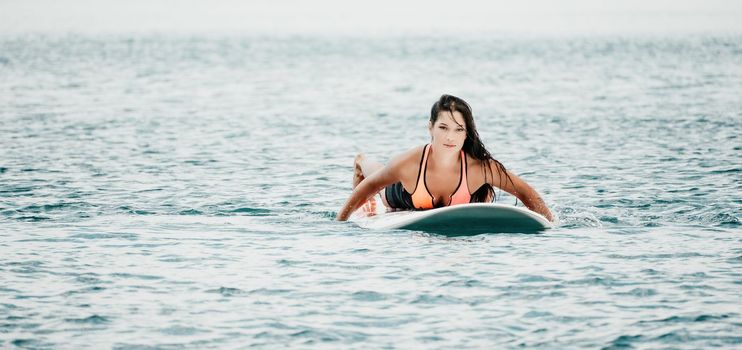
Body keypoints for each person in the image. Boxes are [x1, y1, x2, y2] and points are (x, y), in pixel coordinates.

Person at [336, 94, 553, 222]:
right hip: (405, 196)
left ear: (467, 133)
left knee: (482, 194)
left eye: (459, 130)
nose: (450, 137)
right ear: (430, 128)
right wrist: (341, 223)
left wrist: (550, 225)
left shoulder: (481, 169)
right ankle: (361, 161)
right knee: (379, 180)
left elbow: (526, 192)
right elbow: (367, 187)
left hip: (458, 194)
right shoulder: (408, 163)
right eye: (443, 127)